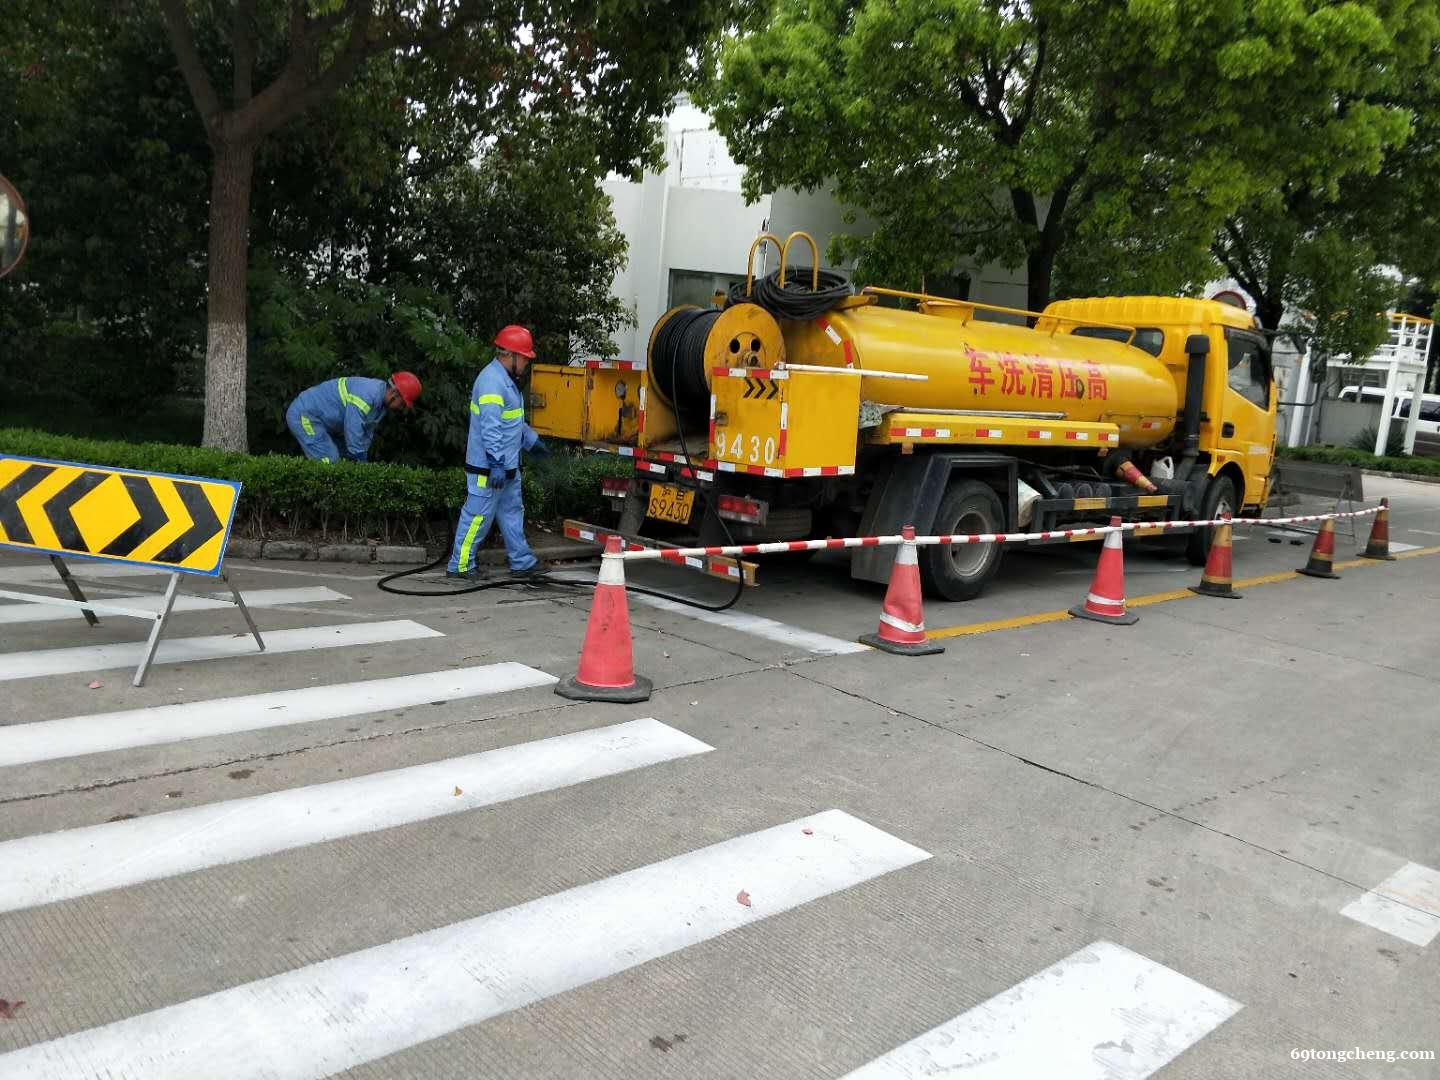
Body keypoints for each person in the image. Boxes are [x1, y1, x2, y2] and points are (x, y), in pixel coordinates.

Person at [447, 325, 551, 579]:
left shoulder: (505, 380)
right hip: (489, 469)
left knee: (512, 514)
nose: (527, 363)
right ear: (511, 355)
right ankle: (460, 566)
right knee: (477, 518)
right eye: (525, 358)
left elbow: (512, 422)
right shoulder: (492, 382)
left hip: (506, 468)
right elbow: (490, 427)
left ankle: (522, 562)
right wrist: (495, 462)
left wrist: (531, 441)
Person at [286, 373, 421, 463]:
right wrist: (359, 457)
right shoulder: (367, 395)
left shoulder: (380, 406)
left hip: (324, 422)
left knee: (344, 460)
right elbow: (353, 428)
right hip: (305, 415)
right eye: (402, 404)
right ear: (394, 393)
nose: (401, 408)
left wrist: (362, 455)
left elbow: (366, 432)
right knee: (328, 461)